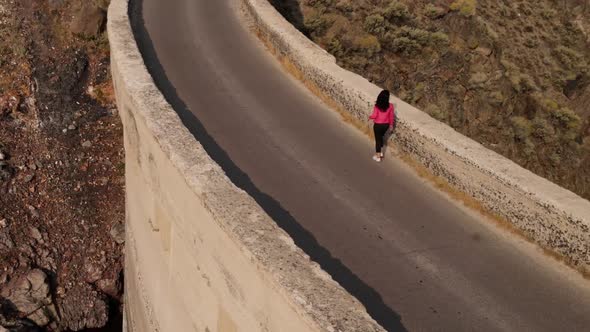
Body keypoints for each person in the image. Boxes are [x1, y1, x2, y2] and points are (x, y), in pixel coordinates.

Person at [368, 90, 395, 162]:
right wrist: (391, 125)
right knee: (381, 138)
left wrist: (370, 117)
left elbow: (374, 115)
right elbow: (391, 116)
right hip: (386, 125)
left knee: (378, 140)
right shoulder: (391, 106)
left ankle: (378, 156)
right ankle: (381, 153)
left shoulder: (377, 106)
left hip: (378, 125)